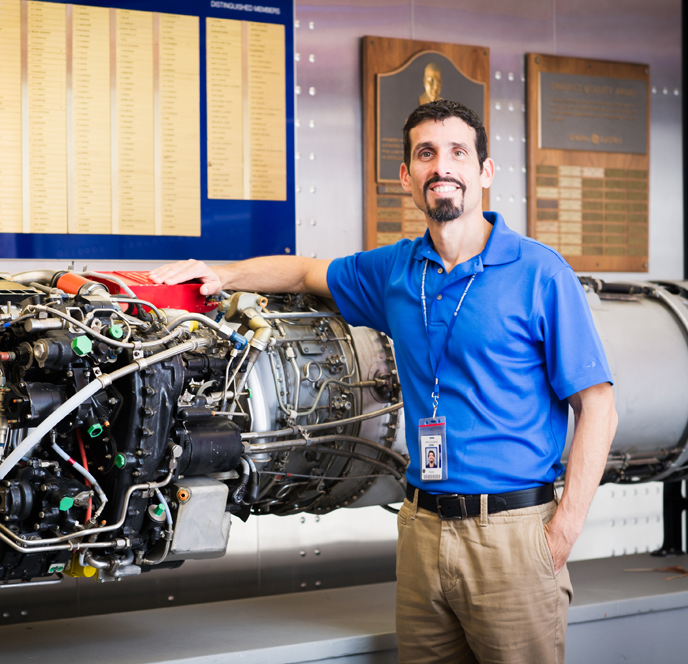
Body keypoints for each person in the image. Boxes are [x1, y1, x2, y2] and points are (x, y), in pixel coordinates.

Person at [149, 99, 617, 664]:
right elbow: (303, 271)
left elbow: (598, 407)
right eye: (426, 154)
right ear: (407, 176)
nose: (441, 166)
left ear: (485, 171)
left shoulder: (540, 272)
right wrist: (221, 274)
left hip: (512, 535)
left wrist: (561, 533)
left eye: (457, 152)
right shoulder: (397, 270)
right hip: (422, 530)